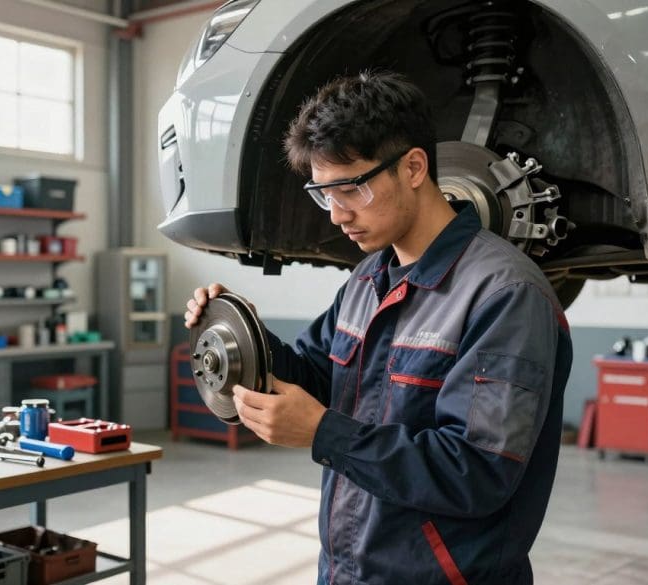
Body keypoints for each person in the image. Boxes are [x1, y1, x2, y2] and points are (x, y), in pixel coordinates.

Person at [184, 70, 572, 585]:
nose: (337, 216)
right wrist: (242, 334)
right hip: (349, 570)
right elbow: (315, 376)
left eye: (351, 189)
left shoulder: (503, 295)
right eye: (324, 195)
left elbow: (477, 474)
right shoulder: (368, 279)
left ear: (413, 167)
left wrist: (325, 433)